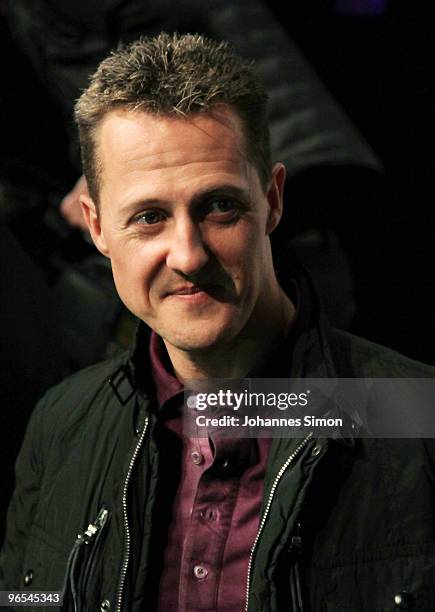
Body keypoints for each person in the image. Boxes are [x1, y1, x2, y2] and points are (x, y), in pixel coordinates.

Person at [1, 33, 434, 612]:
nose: (188, 254)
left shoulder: (414, 416)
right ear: (97, 226)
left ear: (274, 200)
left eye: (219, 206)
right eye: (149, 217)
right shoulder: (60, 423)